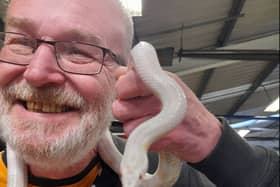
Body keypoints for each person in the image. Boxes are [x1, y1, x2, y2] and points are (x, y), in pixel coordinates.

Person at [0, 0, 278, 186]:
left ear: (121, 79)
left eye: (79, 52)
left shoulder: (178, 179)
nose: (36, 73)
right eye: (21, 42)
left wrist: (215, 143)